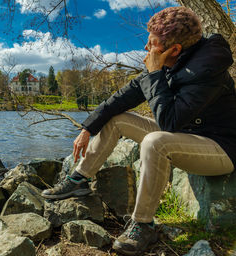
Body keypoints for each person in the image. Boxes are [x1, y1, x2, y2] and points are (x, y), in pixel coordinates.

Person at [41, 6, 236, 256]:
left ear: (174, 49)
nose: (146, 48)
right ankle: (78, 179)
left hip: (220, 148)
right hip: (184, 136)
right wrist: (87, 128)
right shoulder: (169, 62)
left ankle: (143, 224)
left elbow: (169, 122)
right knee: (117, 118)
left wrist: (154, 73)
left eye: (152, 43)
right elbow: (121, 98)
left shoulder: (207, 69)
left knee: (155, 141)